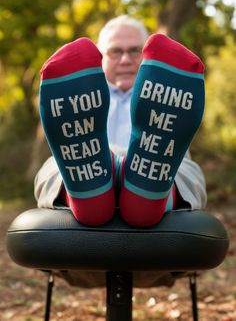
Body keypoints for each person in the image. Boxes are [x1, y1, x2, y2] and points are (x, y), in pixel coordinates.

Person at [35, 15, 207, 228]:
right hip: (88, 163)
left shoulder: (172, 87)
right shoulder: (75, 89)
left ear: (144, 56)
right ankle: (116, 195)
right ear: (101, 56)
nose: (125, 59)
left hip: (165, 164)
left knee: (185, 169)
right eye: (116, 51)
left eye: (135, 50)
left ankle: (125, 195)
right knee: (53, 167)